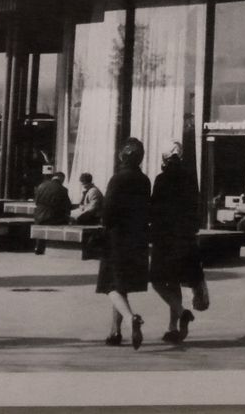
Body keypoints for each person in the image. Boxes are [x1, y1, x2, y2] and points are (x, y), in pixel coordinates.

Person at [149, 140, 209, 345]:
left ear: (165, 159)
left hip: (165, 239)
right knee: (175, 279)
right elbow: (196, 206)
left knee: (159, 281)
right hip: (186, 238)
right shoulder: (191, 179)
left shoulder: (161, 179)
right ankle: (172, 327)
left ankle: (182, 314)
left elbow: (155, 209)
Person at [96, 138, 150, 349]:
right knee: (122, 286)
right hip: (137, 238)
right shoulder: (144, 180)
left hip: (116, 238)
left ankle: (129, 319)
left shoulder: (117, 179)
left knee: (109, 284)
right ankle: (115, 332)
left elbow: (108, 211)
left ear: (121, 156)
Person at [32, 170, 72, 254]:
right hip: (54, 217)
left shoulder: (41, 186)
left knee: (41, 226)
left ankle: (38, 248)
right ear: (61, 178)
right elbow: (67, 205)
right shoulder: (63, 189)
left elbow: (36, 201)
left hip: (39, 215)